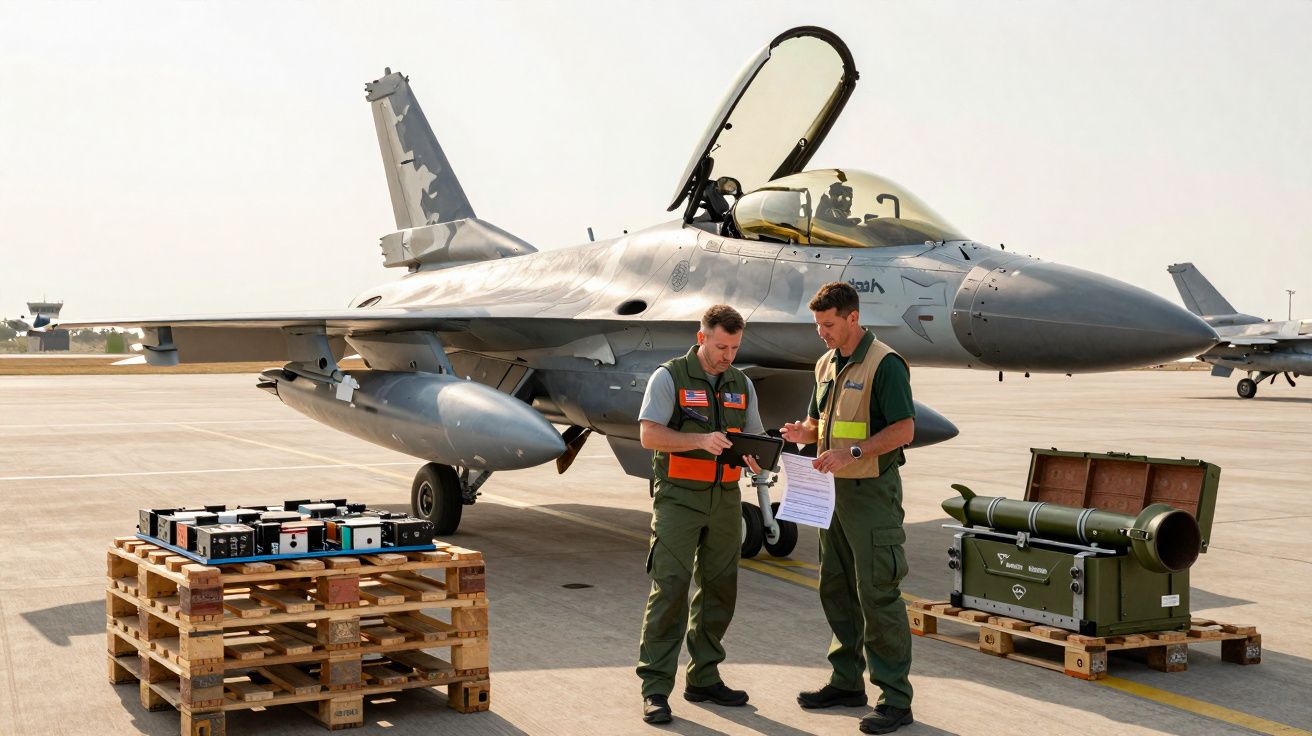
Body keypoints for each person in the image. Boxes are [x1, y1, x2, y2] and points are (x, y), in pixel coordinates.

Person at [781, 282, 917, 735]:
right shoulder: (825, 363)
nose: (821, 332)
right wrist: (804, 434)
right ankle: (846, 682)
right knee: (835, 588)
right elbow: (821, 421)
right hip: (830, 495)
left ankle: (895, 699)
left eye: (829, 324)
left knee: (878, 593)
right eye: (818, 324)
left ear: (853, 318)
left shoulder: (886, 364)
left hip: (871, 495)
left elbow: (903, 430)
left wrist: (852, 453)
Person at [635, 304, 765, 725]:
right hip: (679, 499)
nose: (728, 355)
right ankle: (655, 688)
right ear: (701, 337)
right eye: (721, 346)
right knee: (670, 589)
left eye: (734, 347)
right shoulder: (669, 377)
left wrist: (758, 457)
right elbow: (649, 433)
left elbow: (754, 435)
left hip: (725, 498)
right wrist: (697, 440)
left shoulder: (741, 383)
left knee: (720, 589)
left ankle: (704, 677)